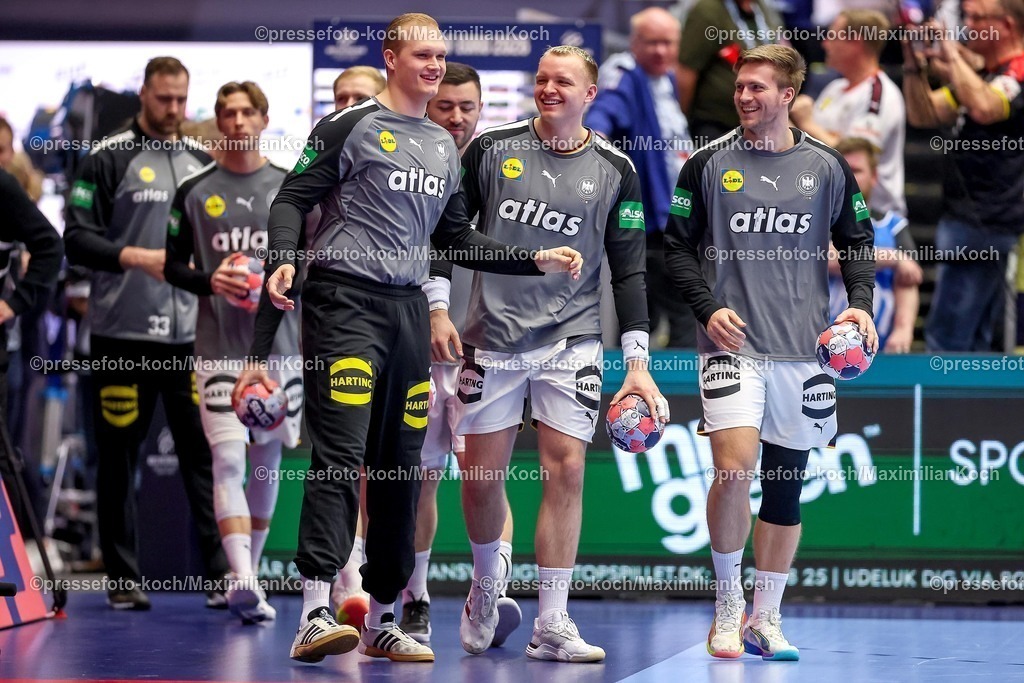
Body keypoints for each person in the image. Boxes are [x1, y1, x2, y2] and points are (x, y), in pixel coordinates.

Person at [231, 13, 582, 665]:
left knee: (401, 459)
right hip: (344, 303)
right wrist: (283, 255)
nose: (433, 65)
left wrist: (533, 257)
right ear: (390, 58)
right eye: (422, 54)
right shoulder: (350, 125)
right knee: (340, 451)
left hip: (407, 310)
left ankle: (384, 615)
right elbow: (290, 197)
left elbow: (454, 238)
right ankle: (314, 609)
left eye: (441, 55)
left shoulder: (443, 145)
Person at [429, 45, 666, 663]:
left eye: (563, 82)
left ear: (591, 94)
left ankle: (553, 622)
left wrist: (636, 360)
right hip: (494, 339)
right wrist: (435, 307)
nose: (548, 89)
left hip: (573, 340)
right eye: (541, 79)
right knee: (483, 476)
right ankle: (486, 587)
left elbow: (629, 269)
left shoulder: (617, 168)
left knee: (567, 470)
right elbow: (449, 237)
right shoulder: (490, 151)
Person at [664, 44, 876, 661]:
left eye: (759, 88)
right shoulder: (706, 163)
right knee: (733, 467)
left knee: (786, 488)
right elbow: (675, 248)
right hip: (734, 347)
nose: (746, 96)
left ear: (788, 95)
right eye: (741, 87)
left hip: (806, 354)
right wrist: (707, 308)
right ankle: (727, 607)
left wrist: (858, 303)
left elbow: (857, 241)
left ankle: (767, 616)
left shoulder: (828, 166)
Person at [64, 56, 230, 611]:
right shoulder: (105, 158)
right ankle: (122, 579)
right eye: (164, 99)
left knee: (202, 458)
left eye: (182, 100)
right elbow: (75, 240)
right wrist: (134, 256)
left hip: (188, 340)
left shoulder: (198, 160)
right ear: (144, 93)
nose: (175, 110)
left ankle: (219, 578)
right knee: (118, 460)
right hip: (121, 334)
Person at [382, 61, 521, 646]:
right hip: (417, 345)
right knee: (421, 480)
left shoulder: (497, 170)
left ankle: (489, 592)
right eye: (446, 106)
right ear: (428, 104)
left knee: (486, 476)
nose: (458, 117)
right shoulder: (408, 164)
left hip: (486, 349)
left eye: (468, 107)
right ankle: (414, 599)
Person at [164, 81, 301, 625]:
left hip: (281, 355)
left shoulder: (290, 187)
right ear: (219, 122)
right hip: (218, 351)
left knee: (266, 464)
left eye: (248, 113)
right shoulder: (195, 190)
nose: (238, 121)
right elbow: (173, 266)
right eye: (228, 113)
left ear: (264, 120)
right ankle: (239, 577)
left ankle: (252, 579)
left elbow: (312, 265)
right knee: (227, 459)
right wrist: (210, 280)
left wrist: (282, 280)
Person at [902, 0, 1024, 351]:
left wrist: (951, 52)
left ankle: (939, 406)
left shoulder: (1017, 70)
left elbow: (986, 107)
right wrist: (913, 67)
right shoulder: (985, 71)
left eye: (976, 19)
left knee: (949, 337)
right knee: (971, 338)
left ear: (1006, 25)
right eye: (966, 17)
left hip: (986, 220)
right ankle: (971, 406)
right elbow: (925, 114)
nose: (968, 27)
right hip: (962, 213)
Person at [586, 7, 697, 348]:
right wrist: (594, 141)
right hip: (646, 223)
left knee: (676, 313)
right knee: (644, 315)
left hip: (676, 218)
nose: (661, 51)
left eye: (668, 43)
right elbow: (604, 112)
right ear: (634, 43)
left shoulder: (668, 79)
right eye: (652, 43)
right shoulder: (624, 72)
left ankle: (682, 396)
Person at [0, 168, 63, 551]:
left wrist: (12, 304)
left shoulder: (4, 188)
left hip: (1, 348)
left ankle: (12, 556)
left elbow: (50, 246)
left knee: (3, 450)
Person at [829, 137, 920, 353]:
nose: (849, 178)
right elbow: (827, 259)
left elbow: (910, 276)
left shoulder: (893, 224)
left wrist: (904, 329)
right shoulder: (817, 220)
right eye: (843, 171)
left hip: (881, 344)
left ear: (874, 177)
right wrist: (895, 258)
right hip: (823, 341)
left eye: (857, 171)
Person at [678, 0, 786, 140]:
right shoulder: (708, 10)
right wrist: (681, 125)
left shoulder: (762, 8)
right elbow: (686, 72)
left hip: (764, 126)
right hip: (719, 124)